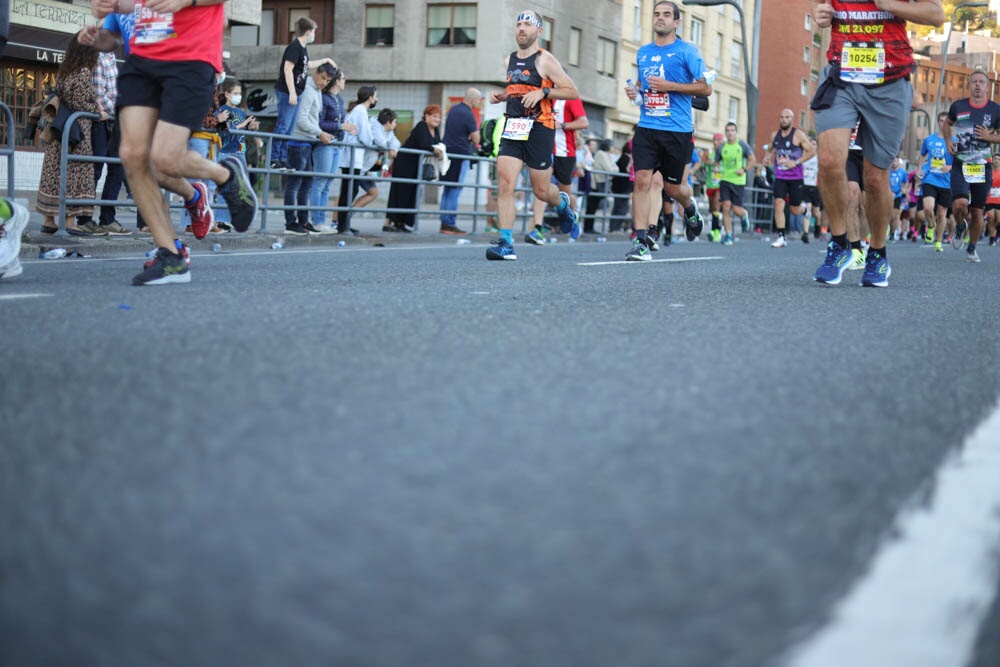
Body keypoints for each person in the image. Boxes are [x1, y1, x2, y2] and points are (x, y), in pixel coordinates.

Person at [86, 0, 258, 285]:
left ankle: (225, 174)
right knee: (132, 154)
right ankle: (171, 254)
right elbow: (133, 11)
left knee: (164, 158)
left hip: (190, 58)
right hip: (142, 58)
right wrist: (108, 20)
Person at [811, 0, 943, 287]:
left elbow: (936, 14)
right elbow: (821, 5)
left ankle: (878, 254)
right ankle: (839, 245)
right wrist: (819, 12)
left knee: (875, 178)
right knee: (830, 161)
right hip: (842, 77)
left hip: (889, 81)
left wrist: (888, 4)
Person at [485, 10, 580, 261]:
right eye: (518, 24)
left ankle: (561, 205)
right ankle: (506, 243)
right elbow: (520, 88)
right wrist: (503, 96)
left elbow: (572, 91)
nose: (521, 28)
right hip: (514, 127)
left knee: (540, 191)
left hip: (540, 128)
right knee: (505, 185)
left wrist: (545, 93)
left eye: (527, 24)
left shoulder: (545, 60)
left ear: (539, 31)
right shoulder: (509, 60)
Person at [623, 0, 710, 261]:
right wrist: (634, 93)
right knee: (642, 181)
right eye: (656, 14)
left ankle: (689, 206)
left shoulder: (687, 51)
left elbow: (705, 88)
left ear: (676, 22)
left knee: (673, 189)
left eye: (666, 15)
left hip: (677, 130)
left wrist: (669, 86)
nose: (660, 18)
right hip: (648, 127)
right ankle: (641, 242)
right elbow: (643, 87)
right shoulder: (644, 52)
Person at [36, 32, 101, 237]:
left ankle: (49, 220)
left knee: (55, 170)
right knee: (75, 170)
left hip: (60, 128)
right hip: (77, 132)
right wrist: (99, 111)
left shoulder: (65, 70)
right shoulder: (82, 72)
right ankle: (70, 221)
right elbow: (79, 102)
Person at [943, 69, 1000, 263]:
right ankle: (960, 226)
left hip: (982, 166)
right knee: (959, 204)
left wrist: (989, 137)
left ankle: (972, 247)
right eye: (974, 82)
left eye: (981, 82)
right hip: (961, 163)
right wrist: (948, 140)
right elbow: (947, 124)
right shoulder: (958, 106)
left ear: (987, 86)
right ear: (969, 85)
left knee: (977, 211)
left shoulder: (995, 109)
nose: (977, 85)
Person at [270, 17, 336, 171]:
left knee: (289, 127)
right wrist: (292, 92)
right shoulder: (294, 47)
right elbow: (287, 69)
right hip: (287, 92)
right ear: (308, 32)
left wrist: (325, 59)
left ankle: (282, 158)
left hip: (296, 92)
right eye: (314, 31)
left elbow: (309, 65)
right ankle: (274, 158)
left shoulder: (303, 48)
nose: (314, 34)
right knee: (283, 125)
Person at [527, 96, 589, 243]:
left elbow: (584, 122)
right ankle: (537, 229)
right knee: (541, 190)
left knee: (565, 195)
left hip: (565, 152)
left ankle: (572, 216)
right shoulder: (542, 98)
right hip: (545, 150)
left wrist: (561, 125)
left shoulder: (570, 99)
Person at [284, 63, 335, 235]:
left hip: (306, 142)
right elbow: (300, 119)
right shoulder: (307, 89)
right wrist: (320, 133)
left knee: (305, 184)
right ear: (316, 73)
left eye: (327, 81)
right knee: (295, 184)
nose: (324, 83)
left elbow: (311, 119)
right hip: (297, 142)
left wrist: (320, 133)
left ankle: (303, 221)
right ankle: (291, 222)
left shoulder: (317, 91)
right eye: (322, 78)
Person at [386, 105, 445, 233]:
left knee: (413, 193)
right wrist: (435, 150)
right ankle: (391, 222)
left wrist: (439, 149)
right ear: (427, 116)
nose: (437, 120)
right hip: (405, 162)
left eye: (439, 117)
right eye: (435, 116)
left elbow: (439, 143)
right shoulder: (421, 126)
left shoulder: (436, 130)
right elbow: (424, 144)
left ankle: (404, 223)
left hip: (416, 165)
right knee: (400, 192)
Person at [762, 108, 815, 248]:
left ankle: (805, 210)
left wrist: (796, 162)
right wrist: (767, 157)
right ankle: (781, 237)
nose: (784, 120)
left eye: (787, 117)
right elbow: (770, 149)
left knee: (794, 209)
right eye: (781, 117)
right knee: (778, 204)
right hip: (780, 176)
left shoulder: (798, 135)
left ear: (792, 119)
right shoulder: (775, 135)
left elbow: (812, 151)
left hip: (795, 177)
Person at [310, 68, 355, 232]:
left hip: (337, 143)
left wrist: (345, 128)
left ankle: (321, 221)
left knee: (327, 184)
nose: (345, 81)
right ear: (336, 80)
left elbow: (340, 122)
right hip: (325, 143)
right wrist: (340, 126)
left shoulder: (340, 100)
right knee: (320, 182)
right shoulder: (324, 98)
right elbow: (319, 123)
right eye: (343, 78)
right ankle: (316, 221)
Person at [90, 49, 130, 235]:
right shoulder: (100, 59)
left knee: (117, 169)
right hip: (103, 122)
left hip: (115, 121)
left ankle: (107, 218)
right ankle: (85, 218)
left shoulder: (114, 59)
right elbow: (99, 95)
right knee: (96, 170)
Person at [215, 77, 261, 230]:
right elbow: (226, 131)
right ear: (227, 94)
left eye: (239, 93)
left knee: (240, 189)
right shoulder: (223, 111)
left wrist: (250, 127)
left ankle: (233, 218)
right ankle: (221, 220)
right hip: (226, 152)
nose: (238, 96)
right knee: (226, 186)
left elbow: (240, 131)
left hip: (240, 152)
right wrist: (244, 124)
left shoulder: (240, 111)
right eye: (235, 93)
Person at [439, 88, 483, 235]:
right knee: (455, 190)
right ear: (472, 99)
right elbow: (476, 138)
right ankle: (449, 224)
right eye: (479, 100)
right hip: (460, 154)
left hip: (448, 153)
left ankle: (444, 223)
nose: (479, 103)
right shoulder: (468, 114)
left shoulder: (453, 110)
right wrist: (473, 137)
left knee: (447, 189)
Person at [337, 85, 378, 235]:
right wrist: (373, 142)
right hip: (352, 157)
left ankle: (343, 224)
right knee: (349, 190)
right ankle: (342, 225)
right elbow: (366, 137)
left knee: (349, 190)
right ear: (370, 97)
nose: (376, 99)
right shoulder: (360, 111)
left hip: (352, 157)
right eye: (375, 96)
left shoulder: (358, 110)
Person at [715, 121, 755, 247]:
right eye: (728, 130)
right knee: (726, 206)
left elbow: (753, 160)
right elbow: (717, 162)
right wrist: (716, 168)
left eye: (732, 130)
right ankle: (728, 235)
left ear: (736, 132)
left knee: (736, 209)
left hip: (738, 181)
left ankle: (743, 215)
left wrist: (744, 170)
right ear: (725, 133)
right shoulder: (722, 147)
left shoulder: (742, 145)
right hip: (725, 180)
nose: (730, 133)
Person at [920, 112, 954, 251]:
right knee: (928, 208)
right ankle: (931, 226)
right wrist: (919, 169)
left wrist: (950, 167)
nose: (943, 123)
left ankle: (938, 242)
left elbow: (960, 160)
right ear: (938, 122)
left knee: (942, 213)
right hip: (930, 177)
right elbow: (922, 154)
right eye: (941, 121)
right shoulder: (929, 140)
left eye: (946, 121)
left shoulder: (954, 141)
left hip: (946, 181)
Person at [802, 137, 822, 241]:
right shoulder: (803, 157)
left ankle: (817, 226)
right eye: (811, 144)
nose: (812, 146)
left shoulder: (819, 158)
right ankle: (805, 233)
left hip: (816, 187)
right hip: (805, 185)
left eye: (814, 144)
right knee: (807, 209)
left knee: (816, 213)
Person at [888, 156, 908, 242]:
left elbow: (906, 182)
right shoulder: (887, 172)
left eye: (895, 160)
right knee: (889, 215)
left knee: (895, 215)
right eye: (892, 160)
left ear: (898, 162)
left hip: (898, 195)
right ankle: (889, 230)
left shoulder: (902, 172)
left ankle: (892, 233)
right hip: (888, 195)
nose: (894, 162)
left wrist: (904, 189)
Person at [987, 153, 1000, 246]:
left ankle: (997, 234)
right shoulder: (988, 171)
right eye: (995, 158)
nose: (996, 160)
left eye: (998, 159)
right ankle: (992, 238)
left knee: (999, 220)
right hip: (989, 198)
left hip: (999, 198)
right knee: (991, 218)